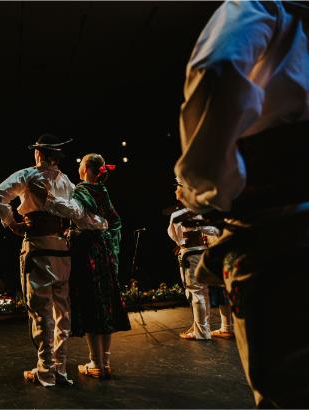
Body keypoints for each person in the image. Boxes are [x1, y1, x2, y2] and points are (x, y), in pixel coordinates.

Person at [175, 1, 309, 406]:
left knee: (290, 388)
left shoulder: (265, 5)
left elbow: (218, 70)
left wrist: (210, 187)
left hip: (285, 223)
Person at [0, 134, 106, 387]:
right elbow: (81, 215)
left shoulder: (28, 175)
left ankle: (45, 371)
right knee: (63, 312)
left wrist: (11, 223)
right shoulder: (67, 183)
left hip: (38, 247)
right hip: (62, 250)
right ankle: (59, 369)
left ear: (39, 153)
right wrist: (101, 224)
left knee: (41, 312)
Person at [42, 153, 131, 379]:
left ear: (85, 169)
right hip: (104, 250)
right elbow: (114, 220)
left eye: (80, 164)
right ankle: (105, 362)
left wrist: (48, 199)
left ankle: (96, 363)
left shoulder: (81, 191)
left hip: (87, 251)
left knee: (92, 303)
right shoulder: (103, 191)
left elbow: (75, 212)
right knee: (105, 304)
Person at [167, 178, 233, 340]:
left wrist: (184, 241)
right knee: (208, 291)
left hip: (191, 253)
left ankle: (202, 332)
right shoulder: (205, 212)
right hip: (206, 251)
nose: (175, 190)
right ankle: (213, 328)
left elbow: (176, 237)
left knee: (196, 292)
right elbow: (215, 230)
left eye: (178, 186)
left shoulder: (178, 214)